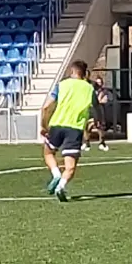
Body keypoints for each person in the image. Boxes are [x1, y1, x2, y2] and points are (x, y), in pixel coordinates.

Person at [41, 60, 96, 202]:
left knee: (48, 152)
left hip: (57, 125)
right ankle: (61, 186)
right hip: (75, 129)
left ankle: (56, 174)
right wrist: (98, 120)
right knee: (70, 166)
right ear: (85, 73)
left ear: (72, 72)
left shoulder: (62, 85)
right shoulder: (89, 89)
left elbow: (46, 107)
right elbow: (97, 107)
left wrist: (44, 125)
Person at [83, 76, 112, 152]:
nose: (99, 84)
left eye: (100, 82)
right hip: (89, 109)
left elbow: (101, 100)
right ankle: (87, 143)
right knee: (87, 127)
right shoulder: (88, 89)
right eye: (97, 82)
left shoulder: (103, 91)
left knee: (99, 126)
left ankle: (102, 143)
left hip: (98, 110)